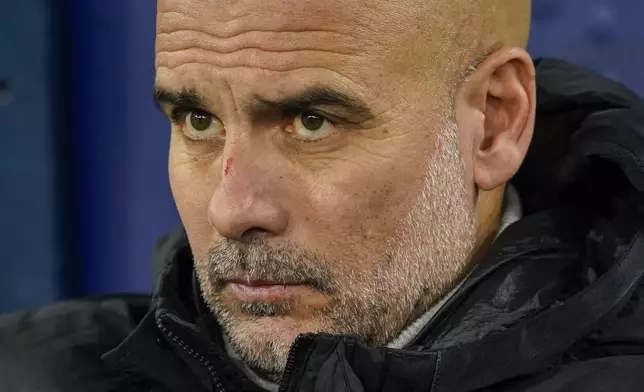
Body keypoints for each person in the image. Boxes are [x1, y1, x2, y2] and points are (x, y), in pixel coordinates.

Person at [2, 0, 644, 391]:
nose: (232, 210)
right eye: (198, 121)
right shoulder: (32, 372)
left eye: (313, 122)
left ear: (494, 123)